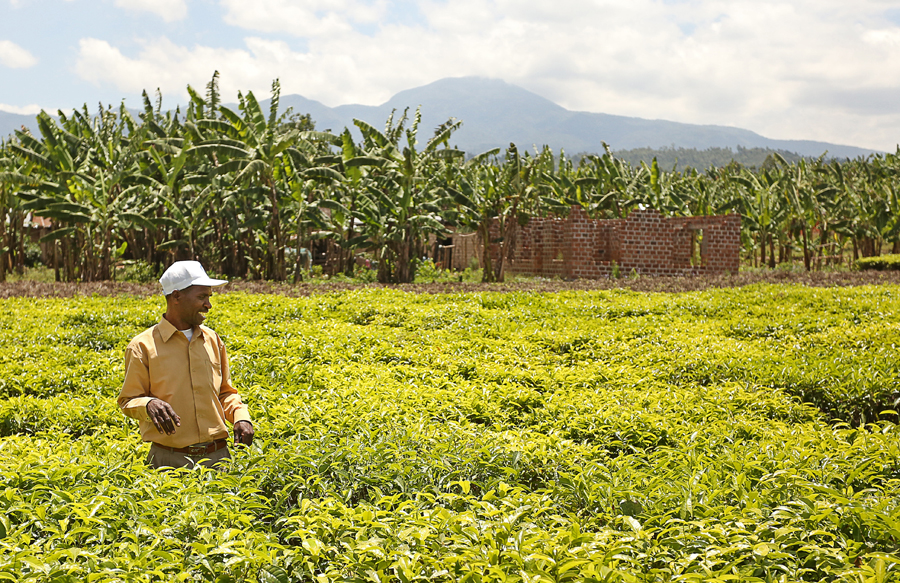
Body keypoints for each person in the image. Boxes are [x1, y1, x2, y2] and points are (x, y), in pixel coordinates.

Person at [117, 260, 254, 469]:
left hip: (218, 458)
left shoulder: (212, 340)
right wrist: (148, 404)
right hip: (169, 461)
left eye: (209, 297)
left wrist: (240, 417)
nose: (208, 305)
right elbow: (128, 400)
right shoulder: (142, 346)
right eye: (201, 297)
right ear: (176, 296)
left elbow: (226, 392)